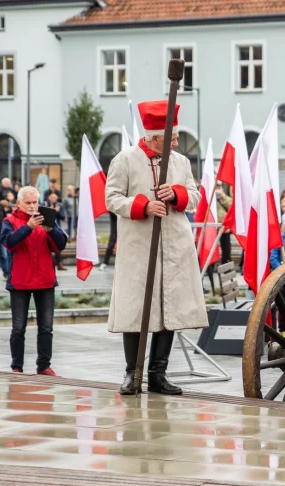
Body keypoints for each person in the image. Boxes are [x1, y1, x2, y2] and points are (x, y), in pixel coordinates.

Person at [105, 100, 207, 396]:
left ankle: (158, 373)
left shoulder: (181, 162)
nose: (177, 142)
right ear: (154, 137)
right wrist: (143, 205)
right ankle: (131, 373)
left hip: (174, 245)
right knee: (135, 310)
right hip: (139, 247)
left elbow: (195, 195)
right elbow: (111, 198)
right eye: (172, 138)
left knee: (169, 308)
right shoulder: (124, 160)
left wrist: (176, 195)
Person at [1, 186, 66, 376]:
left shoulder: (46, 219)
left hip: (45, 280)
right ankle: (17, 367)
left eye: (35, 202)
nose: (32, 206)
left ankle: (44, 366)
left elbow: (60, 245)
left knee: (46, 327)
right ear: (19, 203)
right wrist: (28, 227)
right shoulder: (10, 221)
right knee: (18, 328)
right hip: (20, 281)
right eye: (28, 202)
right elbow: (9, 243)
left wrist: (51, 230)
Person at [45, 191, 67, 271]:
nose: (53, 199)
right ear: (49, 197)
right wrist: (53, 211)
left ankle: (59, 263)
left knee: (58, 247)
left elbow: (63, 217)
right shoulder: (45, 205)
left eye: (54, 197)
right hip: (46, 228)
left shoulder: (59, 205)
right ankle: (53, 263)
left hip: (56, 227)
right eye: (51, 197)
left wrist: (56, 211)